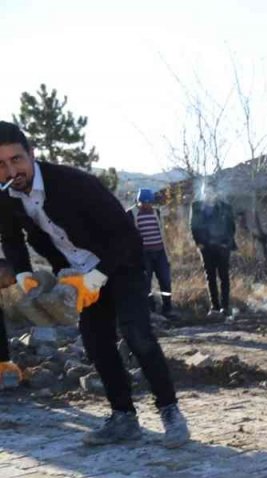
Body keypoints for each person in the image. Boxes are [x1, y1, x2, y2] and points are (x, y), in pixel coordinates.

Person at [0, 122, 189, 446]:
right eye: (0, 165)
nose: (10, 170)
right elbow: (11, 238)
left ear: (32, 154)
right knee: (96, 342)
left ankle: (170, 411)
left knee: (137, 334)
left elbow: (125, 235)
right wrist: (23, 275)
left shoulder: (75, 184)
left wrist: (97, 277)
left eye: (16, 159)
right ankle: (123, 418)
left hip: (121, 265)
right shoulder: (5, 197)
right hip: (75, 274)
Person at [190, 186, 236, 317]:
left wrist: (226, 243)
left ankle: (225, 307)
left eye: (212, 191)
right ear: (203, 193)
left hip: (222, 247)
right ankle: (215, 306)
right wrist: (199, 243)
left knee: (224, 276)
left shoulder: (224, 207)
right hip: (206, 248)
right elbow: (193, 226)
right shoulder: (197, 207)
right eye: (206, 192)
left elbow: (231, 226)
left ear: (216, 193)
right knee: (210, 277)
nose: (209, 194)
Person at [128, 188, 173, 317]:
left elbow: (164, 231)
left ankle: (167, 308)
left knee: (165, 280)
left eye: (149, 202)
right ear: (138, 202)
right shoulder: (131, 214)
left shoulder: (157, 213)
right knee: (146, 283)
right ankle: (150, 309)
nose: (147, 205)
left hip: (160, 252)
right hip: (143, 254)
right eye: (144, 202)